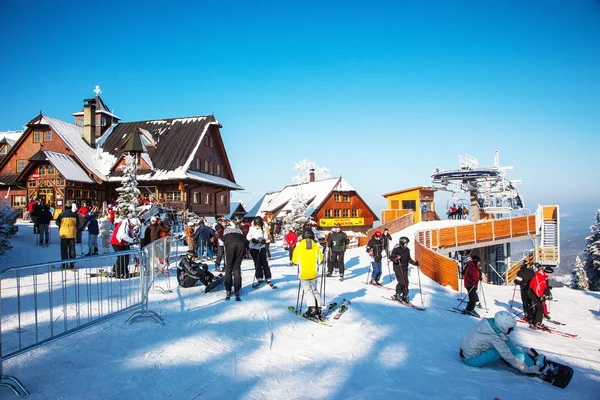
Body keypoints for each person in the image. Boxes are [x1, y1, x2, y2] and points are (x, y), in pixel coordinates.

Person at [460, 311, 545, 376]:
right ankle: (530, 364)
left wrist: (523, 349)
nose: (512, 330)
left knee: (503, 346)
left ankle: (523, 357)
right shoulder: (494, 337)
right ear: (503, 326)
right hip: (471, 360)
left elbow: (505, 339)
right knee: (502, 350)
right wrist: (526, 369)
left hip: (465, 353)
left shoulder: (491, 325)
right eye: (510, 328)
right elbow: (507, 355)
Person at [293, 229, 325, 321]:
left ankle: (312, 309)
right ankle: (318, 309)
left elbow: (295, 261)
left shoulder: (299, 247)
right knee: (314, 290)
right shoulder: (316, 247)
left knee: (308, 291)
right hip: (314, 272)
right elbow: (320, 260)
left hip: (304, 273)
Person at [221, 219, 246, 301]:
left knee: (229, 267)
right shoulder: (238, 230)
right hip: (241, 245)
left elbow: (222, 241)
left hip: (230, 245)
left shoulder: (225, 231)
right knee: (236, 267)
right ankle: (237, 289)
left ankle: (228, 289)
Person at [246, 216, 274, 287]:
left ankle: (268, 277)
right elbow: (248, 237)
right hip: (254, 248)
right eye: (257, 224)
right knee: (257, 263)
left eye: (259, 224)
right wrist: (252, 239)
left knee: (264, 262)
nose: (258, 225)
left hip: (261, 247)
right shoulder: (251, 228)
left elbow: (266, 237)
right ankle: (259, 277)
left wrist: (264, 240)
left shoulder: (263, 228)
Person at [390, 236, 419, 303]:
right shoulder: (396, 249)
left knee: (406, 283)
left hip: (405, 268)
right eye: (406, 243)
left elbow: (408, 259)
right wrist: (396, 259)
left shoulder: (407, 250)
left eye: (407, 243)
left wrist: (414, 263)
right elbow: (392, 257)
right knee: (402, 282)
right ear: (402, 243)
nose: (406, 245)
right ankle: (397, 294)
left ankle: (405, 296)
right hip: (398, 267)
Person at [55, 204, 78, 269]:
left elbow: (57, 223)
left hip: (64, 234)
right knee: (72, 248)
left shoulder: (62, 215)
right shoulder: (75, 215)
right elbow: (78, 223)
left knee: (64, 249)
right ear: (71, 208)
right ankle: (72, 263)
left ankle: (64, 263)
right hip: (72, 233)